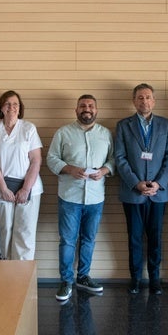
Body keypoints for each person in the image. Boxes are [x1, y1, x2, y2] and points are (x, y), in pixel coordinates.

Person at [47, 94, 114, 301]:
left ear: (96, 110)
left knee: (89, 239)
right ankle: (66, 281)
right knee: (67, 240)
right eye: (83, 105)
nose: (87, 108)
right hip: (70, 196)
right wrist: (68, 168)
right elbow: (51, 158)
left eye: (91, 106)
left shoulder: (106, 134)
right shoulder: (63, 132)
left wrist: (104, 170)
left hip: (95, 198)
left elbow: (113, 159)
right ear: (76, 110)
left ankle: (83, 277)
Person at [115, 83, 168, 295]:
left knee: (156, 237)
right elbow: (120, 158)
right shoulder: (123, 125)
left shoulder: (165, 125)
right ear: (134, 101)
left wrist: (158, 183)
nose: (144, 101)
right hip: (133, 193)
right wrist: (136, 183)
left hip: (158, 193)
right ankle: (136, 279)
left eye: (148, 97)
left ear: (154, 101)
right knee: (134, 237)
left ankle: (155, 279)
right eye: (140, 98)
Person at [0, 90, 43, 260]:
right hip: (1, 189)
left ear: (20, 108)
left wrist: (25, 189)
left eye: (15, 104)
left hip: (29, 188)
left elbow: (36, 161)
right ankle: (4, 278)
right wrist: (3, 189)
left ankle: (22, 279)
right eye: (8, 104)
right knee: (4, 232)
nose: (12, 107)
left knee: (24, 233)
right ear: (1, 107)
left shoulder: (28, 128)